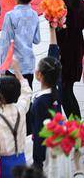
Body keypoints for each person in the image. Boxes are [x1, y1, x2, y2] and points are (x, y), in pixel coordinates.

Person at [0, 59, 32, 178]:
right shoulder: (20, 109)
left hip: (3, 163)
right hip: (20, 158)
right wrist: (17, 71)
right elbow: (27, 91)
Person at [0, 0, 40, 87]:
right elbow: (37, 39)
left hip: (13, 67)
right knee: (26, 97)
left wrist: (2, 69)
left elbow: (4, 44)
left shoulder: (10, 16)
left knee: (13, 100)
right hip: (28, 65)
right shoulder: (34, 14)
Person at [31, 27, 62, 172]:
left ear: (39, 75)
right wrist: (52, 31)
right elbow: (54, 57)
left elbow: (38, 134)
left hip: (45, 155)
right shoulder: (57, 88)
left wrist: (37, 162)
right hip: (58, 145)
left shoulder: (39, 102)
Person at [55, 0, 83, 119]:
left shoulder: (61, 6)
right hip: (77, 49)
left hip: (65, 53)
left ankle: (77, 128)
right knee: (68, 90)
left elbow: (58, 32)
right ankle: (77, 127)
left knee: (65, 93)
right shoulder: (79, 3)